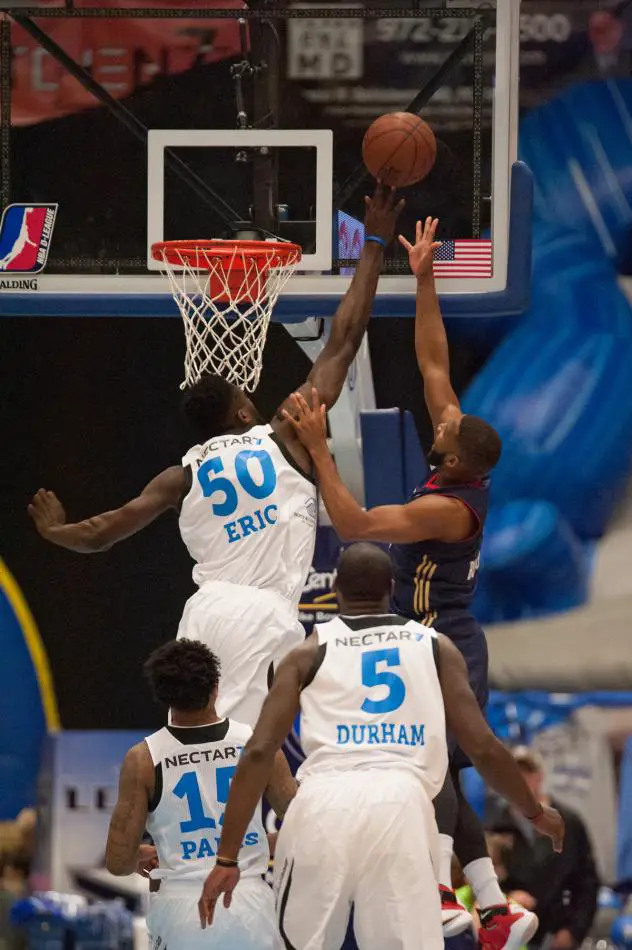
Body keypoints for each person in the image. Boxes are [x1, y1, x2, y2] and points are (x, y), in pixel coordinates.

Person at [27, 184, 404, 728]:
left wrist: (56, 532)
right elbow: (344, 339)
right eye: (247, 395)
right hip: (261, 611)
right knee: (243, 745)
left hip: (204, 610)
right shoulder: (285, 435)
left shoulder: (179, 476)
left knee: (193, 736)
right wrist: (373, 243)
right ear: (244, 415)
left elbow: (102, 532)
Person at [281, 218, 526, 947]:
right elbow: (433, 365)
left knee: (434, 769)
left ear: (455, 466)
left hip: (445, 636)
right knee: (434, 769)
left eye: (442, 438)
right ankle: (490, 908)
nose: (437, 426)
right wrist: (422, 275)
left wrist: (320, 449)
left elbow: (353, 523)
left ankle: (452, 892)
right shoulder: (461, 451)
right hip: (419, 634)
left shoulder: (446, 512)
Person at [198, 544, 564, 950]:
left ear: (335, 589)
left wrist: (226, 857)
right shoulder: (436, 646)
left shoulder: (306, 652)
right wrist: (533, 811)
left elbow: (259, 752)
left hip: (323, 802)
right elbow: (483, 746)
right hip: (402, 803)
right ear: (392, 587)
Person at [105, 638, 297, 950]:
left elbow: (118, 862)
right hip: (247, 900)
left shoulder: (143, 759)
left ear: (162, 696)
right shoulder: (256, 743)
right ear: (216, 687)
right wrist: (262, 841)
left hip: (182, 906)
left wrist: (137, 854)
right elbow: (300, 817)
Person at [486, 747, 600, 950]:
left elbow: (587, 882)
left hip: (558, 936)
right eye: (513, 773)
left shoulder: (568, 824)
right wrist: (508, 898)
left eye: (526, 772)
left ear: (539, 776)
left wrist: (574, 931)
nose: (520, 780)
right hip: (512, 937)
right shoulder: (494, 827)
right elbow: (480, 883)